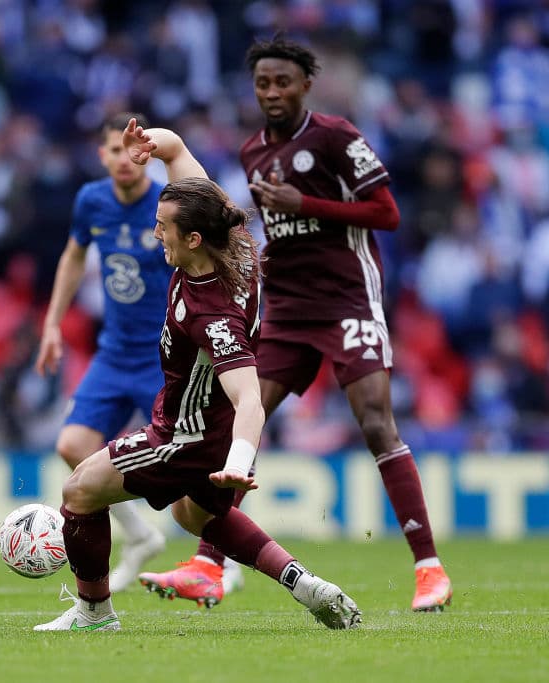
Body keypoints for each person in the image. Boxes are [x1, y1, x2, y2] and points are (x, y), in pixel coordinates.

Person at [138, 36, 452, 613]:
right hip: (287, 308)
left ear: (306, 84)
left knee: (376, 422)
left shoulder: (336, 137)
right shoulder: (252, 150)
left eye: (283, 82)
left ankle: (428, 567)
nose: (273, 92)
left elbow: (387, 213)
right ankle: (209, 564)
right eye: (263, 84)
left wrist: (304, 205)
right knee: (241, 417)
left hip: (349, 299)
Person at [33, 118, 361, 632]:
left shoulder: (210, 313)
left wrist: (238, 462)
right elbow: (182, 153)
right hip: (208, 427)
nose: (154, 232)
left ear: (191, 237)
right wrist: (156, 147)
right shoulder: (237, 249)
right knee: (196, 516)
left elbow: (251, 397)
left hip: (185, 435)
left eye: (162, 226)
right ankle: (306, 585)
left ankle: (94, 614)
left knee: (79, 492)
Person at [35, 112, 174, 592]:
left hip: (166, 356)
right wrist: (53, 323)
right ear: (102, 155)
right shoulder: (91, 200)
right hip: (114, 354)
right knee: (71, 447)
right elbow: (74, 256)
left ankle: (220, 560)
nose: (122, 159)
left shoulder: (168, 202)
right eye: (112, 150)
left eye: (128, 149)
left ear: (146, 152)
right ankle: (140, 536)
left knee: (190, 465)